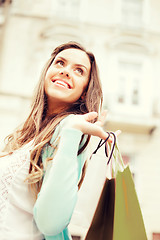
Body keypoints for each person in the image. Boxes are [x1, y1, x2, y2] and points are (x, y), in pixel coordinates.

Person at [0, 42, 118, 240]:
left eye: (79, 70)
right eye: (60, 63)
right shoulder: (24, 136)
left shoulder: (70, 133)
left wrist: (72, 133)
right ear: (47, 72)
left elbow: (51, 223)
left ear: (84, 90)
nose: (65, 71)